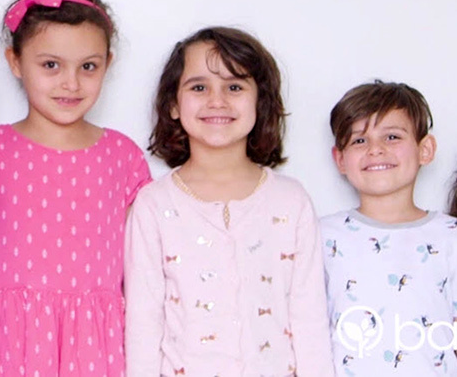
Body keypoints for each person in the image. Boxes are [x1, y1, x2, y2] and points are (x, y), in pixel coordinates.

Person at [0, 0, 151, 376]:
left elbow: (143, 278)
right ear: (15, 61)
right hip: (6, 345)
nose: (71, 83)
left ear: (108, 64)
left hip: (96, 351)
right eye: (51, 65)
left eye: (88, 66)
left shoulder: (123, 158)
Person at [125, 26, 333, 376]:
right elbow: (144, 323)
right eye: (199, 87)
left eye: (234, 86)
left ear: (260, 102)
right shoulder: (153, 205)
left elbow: (309, 318)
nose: (216, 100)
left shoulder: (291, 201)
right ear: (174, 104)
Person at [321, 81, 457, 375]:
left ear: (425, 150)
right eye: (359, 141)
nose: (375, 150)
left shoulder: (451, 238)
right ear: (340, 159)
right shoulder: (320, 236)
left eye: (392, 136)